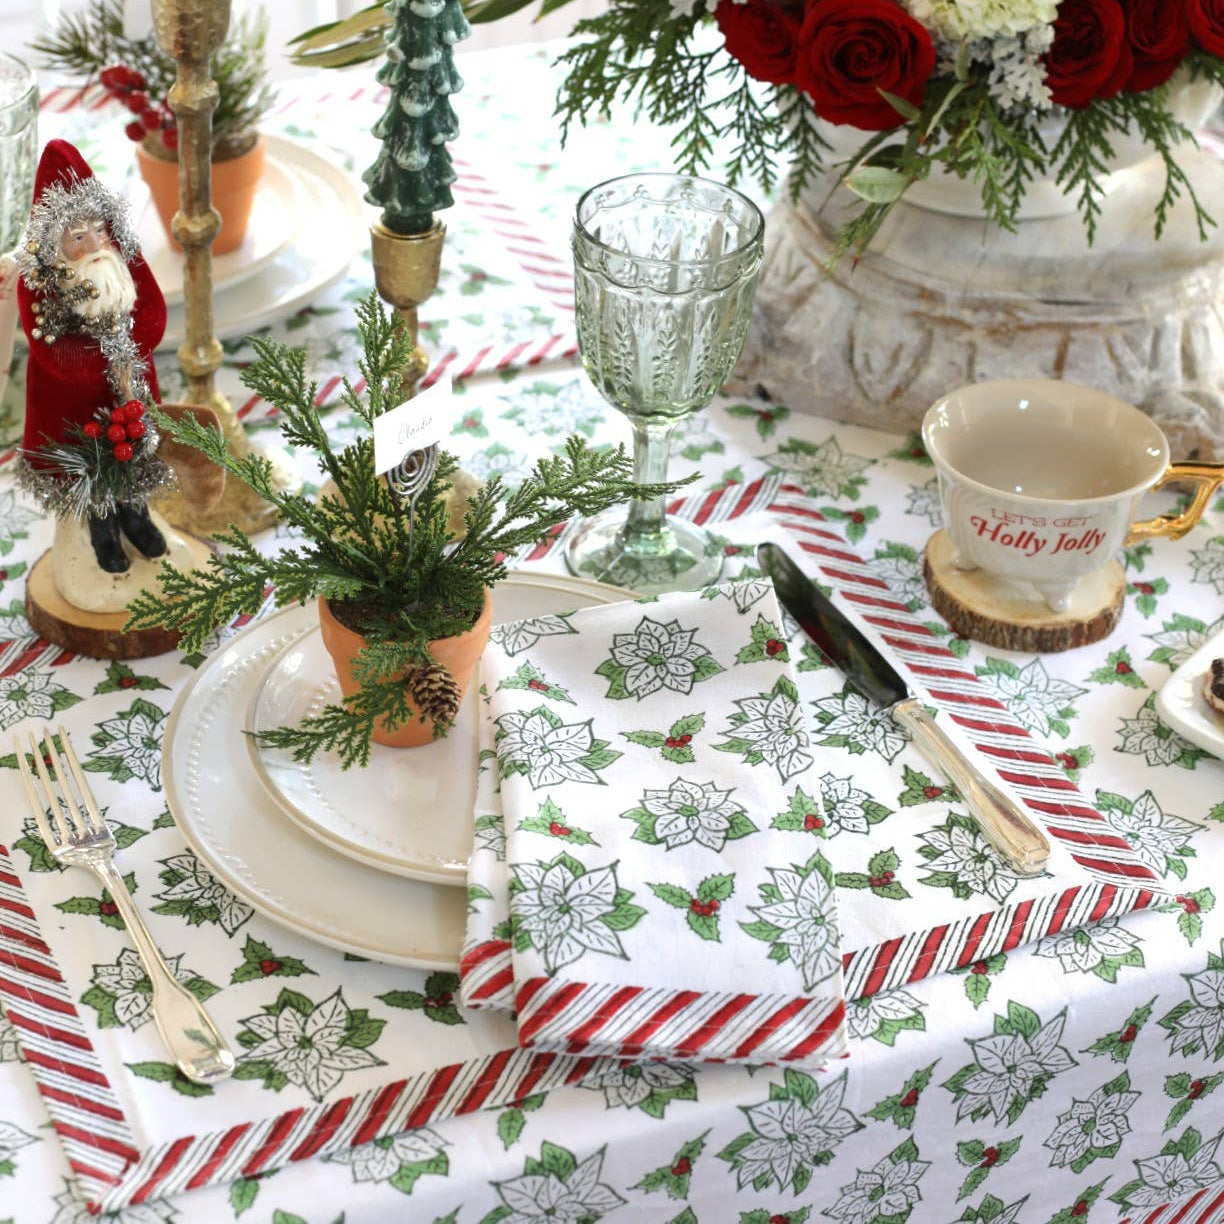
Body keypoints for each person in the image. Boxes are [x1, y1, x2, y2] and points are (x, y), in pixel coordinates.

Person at [15, 139, 172, 575]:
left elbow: (154, 311)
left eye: (99, 231)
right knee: (92, 466)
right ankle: (101, 527)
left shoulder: (122, 258)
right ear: (55, 243)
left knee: (136, 452)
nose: (95, 244)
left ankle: (136, 516)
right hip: (74, 404)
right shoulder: (39, 282)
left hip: (132, 388)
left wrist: (130, 350)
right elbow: (51, 350)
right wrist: (104, 361)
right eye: (78, 237)